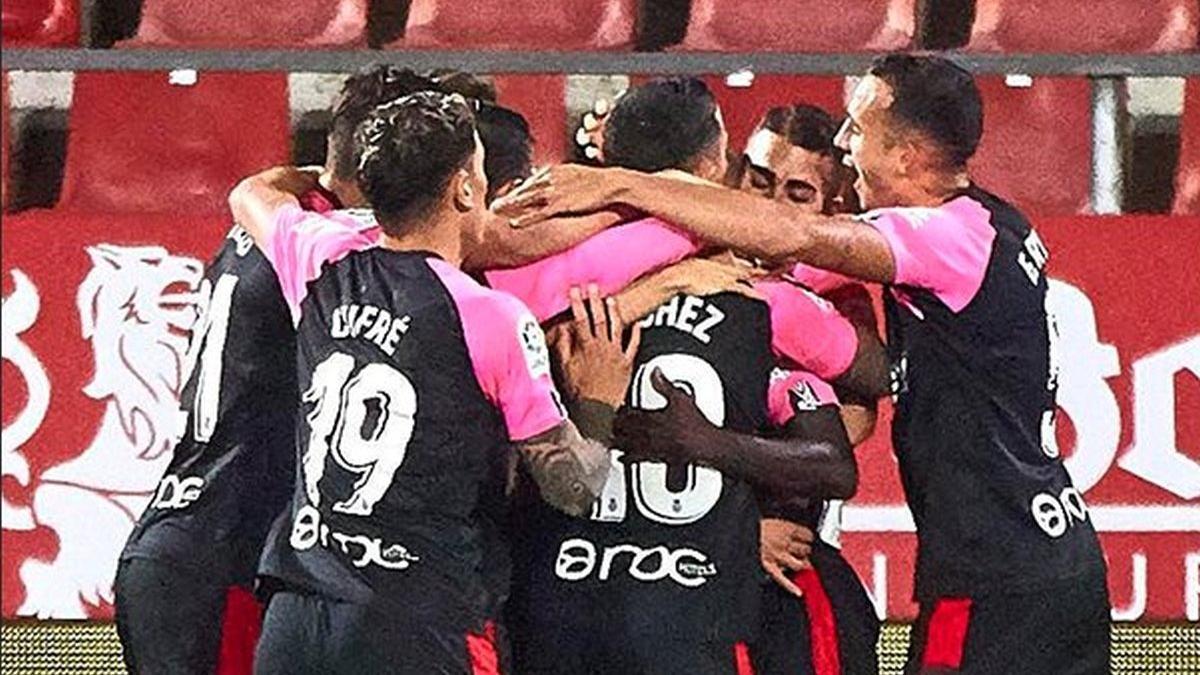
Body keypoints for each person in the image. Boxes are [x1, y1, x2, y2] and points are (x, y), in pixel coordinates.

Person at [495, 54, 1110, 675]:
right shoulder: (988, 223)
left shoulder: (941, 240)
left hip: (999, 571)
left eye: (859, 130)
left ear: (907, 156)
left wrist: (621, 184)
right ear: (723, 167)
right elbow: (785, 260)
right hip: (1043, 555)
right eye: (758, 178)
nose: (846, 143)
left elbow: (801, 251)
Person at [496, 77, 884, 675]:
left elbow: (854, 424)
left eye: (797, 193)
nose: (770, 205)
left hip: (611, 596)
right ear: (722, 170)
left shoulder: (809, 292)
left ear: (832, 211)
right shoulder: (762, 299)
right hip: (644, 600)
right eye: (757, 181)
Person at [229, 92, 625, 675]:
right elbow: (572, 487)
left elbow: (249, 194)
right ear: (466, 188)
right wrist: (598, 397)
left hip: (296, 620)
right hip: (416, 624)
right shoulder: (490, 317)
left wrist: (336, 176)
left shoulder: (319, 260)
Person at [112, 64, 442, 675]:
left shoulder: (271, 222)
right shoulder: (339, 243)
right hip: (228, 559)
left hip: (182, 538)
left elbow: (253, 190)